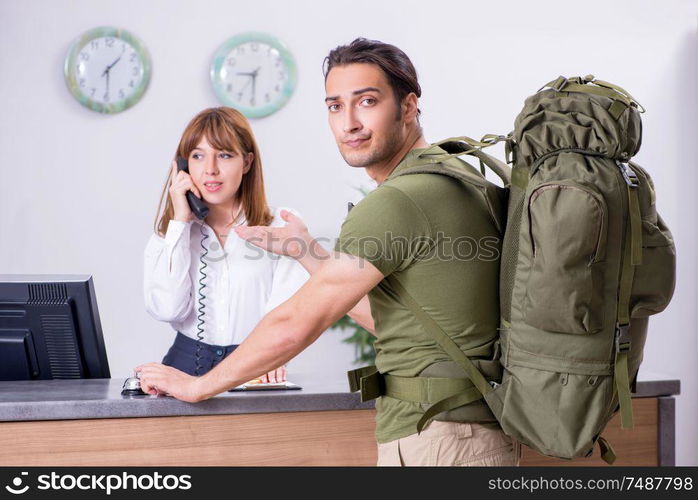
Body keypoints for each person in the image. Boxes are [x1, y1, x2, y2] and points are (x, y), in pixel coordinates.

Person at [136, 39, 520, 466]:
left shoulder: (398, 202)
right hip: (465, 431)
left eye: (367, 101)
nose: (349, 122)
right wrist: (304, 250)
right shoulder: (454, 176)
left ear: (409, 106)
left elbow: (294, 323)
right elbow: (397, 323)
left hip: (438, 437)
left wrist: (197, 386)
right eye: (335, 106)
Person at [143, 106, 308, 381]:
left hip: (256, 368)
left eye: (224, 155)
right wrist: (181, 223)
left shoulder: (281, 225)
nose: (210, 170)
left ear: (247, 162)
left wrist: (271, 356)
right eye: (198, 156)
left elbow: (288, 316)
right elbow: (167, 308)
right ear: (182, 168)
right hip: (182, 367)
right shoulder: (170, 233)